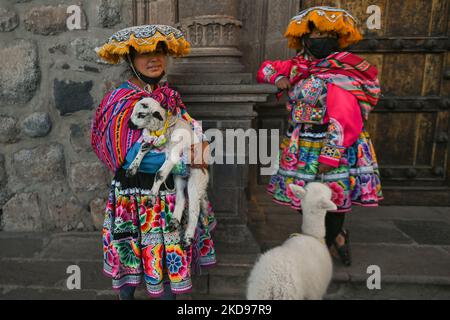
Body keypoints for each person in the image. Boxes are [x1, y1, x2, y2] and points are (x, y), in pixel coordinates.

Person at [91, 25, 216, 299]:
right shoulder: (120, 102)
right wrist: (187, 161)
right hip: (134, 196)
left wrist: (202, 143)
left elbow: (189, 127)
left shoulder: (169, 96)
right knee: (130, 258)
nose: (154, 59)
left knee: (166, 267)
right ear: (130, 59)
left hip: (168, 197)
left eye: (159, 51)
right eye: (144, 53)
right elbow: (128, 154)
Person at [257, 7, 383, 266]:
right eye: (316, 34)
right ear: (305, 38)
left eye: (328, 34)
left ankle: (324, 245)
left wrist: (331, 154)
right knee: (306, 196)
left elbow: (346, 117)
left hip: (335, 141)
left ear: (337, 38)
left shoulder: (343, 71)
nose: (321, 39)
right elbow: (266, 69)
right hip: (303, 142)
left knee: (333, 196)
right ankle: (330, 238)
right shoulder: (299, 66)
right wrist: (280, 77)